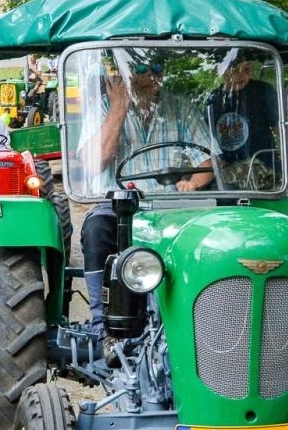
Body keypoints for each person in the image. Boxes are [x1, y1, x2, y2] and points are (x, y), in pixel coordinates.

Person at [78, 56, 213, 336]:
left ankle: (199, 324)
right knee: (96, 228)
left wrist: (193, 183)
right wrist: (118, 109)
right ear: (127, 72)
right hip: (121, 205)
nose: (151, 75)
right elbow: (94, 163)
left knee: (208, 238)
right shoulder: (104, 107)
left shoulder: (179, 107)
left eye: (158, 68)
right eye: (141, 69)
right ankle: (102, 327)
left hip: (172, 206)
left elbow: (209, 158)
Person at [204, 53, 280, 189]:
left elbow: (280, 130)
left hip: (263, 168)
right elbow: (208, 140)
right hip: (225, 172)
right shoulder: (213, 100)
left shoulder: (263, 92)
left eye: (245, 70)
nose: (240, 75)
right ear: (222, 72)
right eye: (233, 70)